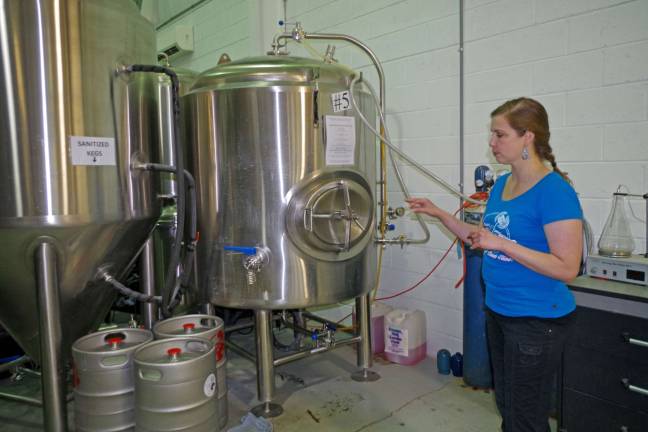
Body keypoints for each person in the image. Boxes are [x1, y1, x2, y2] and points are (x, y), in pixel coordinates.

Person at [407, 97, 583, 432]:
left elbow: (566, 267)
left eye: (499, 135)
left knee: (525, 418)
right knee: (508, 406)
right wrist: (440, 214)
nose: (491, 143)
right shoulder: (503, 184)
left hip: (535, 319)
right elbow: (482, 237)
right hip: (499, 311)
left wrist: (502, 244)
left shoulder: (554, 191)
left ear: (527, 137)